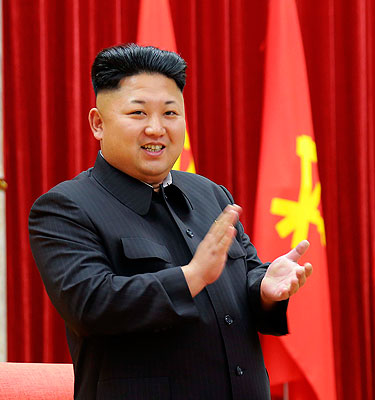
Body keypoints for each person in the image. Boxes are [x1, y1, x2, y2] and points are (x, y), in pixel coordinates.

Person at [29, 43, 313, 400]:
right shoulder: (65, 208)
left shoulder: (212, 195)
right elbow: (92, 306)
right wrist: (192, 277)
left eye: (170, 113)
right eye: (138, 113)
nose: (156, 128)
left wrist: (264, 290)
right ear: (98, 124)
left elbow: (242, 284)